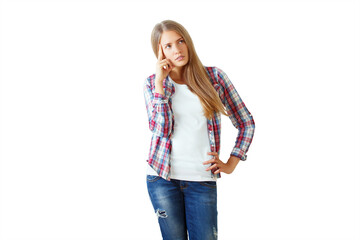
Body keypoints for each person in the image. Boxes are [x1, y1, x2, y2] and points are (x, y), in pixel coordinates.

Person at [143, 19, 255, 240]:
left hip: (202, 180)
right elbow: (162, 130)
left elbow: (246, 123)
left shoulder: (214, 78)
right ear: (159, 52)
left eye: (180, 41)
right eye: (168, 46)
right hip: (162, 180)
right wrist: (159, 84)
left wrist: (232, 163)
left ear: (188, 42)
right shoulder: (152, 84)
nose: (177, 49)